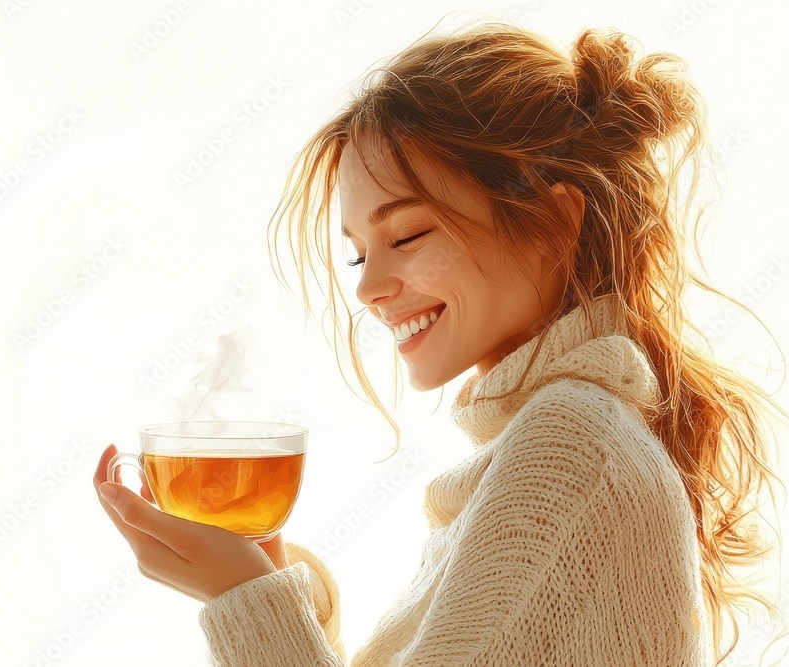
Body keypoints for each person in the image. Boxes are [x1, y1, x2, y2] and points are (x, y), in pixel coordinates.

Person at [93, 18, 789, 666]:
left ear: (553, 222)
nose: (368, 290)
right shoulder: (569, 432)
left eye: (407, 235)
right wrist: (276, 589)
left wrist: (244, 600)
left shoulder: (573, 440)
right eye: (360, 255)